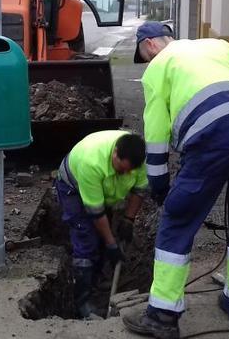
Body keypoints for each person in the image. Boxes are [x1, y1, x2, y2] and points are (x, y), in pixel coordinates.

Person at [123, 22, 229, 339]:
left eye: (144, 55)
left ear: (149, 46)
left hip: (211, 141)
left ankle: (161, 317)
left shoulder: (157, 68)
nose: (147, 61)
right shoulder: (216, 46)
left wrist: (160, 186)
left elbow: (157, 136)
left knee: (177, 220)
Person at [54, 130, 148, 318]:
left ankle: (97, 280)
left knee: (102, 236)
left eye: (129, 172)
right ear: (115, 154)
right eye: (122, 171)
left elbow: (139, 190)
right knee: (86, 239)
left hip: (104, 191)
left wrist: (129, 219)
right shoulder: (92, 163)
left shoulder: (138, 160)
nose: (126, 175)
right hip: (73, 187)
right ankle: (82, 304)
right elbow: (96, 213)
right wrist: (112, 244)